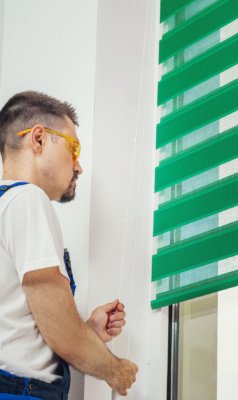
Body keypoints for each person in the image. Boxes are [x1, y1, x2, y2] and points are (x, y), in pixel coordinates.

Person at [0, 91, 138, 399]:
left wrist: (86, 330)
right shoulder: (27, 199)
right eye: (73, 148)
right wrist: (115, 371)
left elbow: (18, 333)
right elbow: (61, 331)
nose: (78, 167)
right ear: (38, 139)